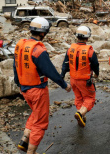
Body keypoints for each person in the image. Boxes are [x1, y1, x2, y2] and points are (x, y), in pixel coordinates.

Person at [14, 17, 71, 154]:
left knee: (35, 114)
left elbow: (15, 66)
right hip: (37, 90)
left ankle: (24, 140)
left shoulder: (20, 45)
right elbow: (49, 70)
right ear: (43, 33)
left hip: (24, 88)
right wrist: (64, 84)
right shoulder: (38, 50)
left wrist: (19, 84)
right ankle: (31, 151)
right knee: (40, 122)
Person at [61, 26, 99, 128]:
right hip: (85, 80)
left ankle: (81, 115)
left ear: (77, 37)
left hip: (73, 80)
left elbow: (65, 64)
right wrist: (97, 74)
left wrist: (62, 76)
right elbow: (95, 64)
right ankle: (80, 113)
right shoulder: (90, 51)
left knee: (78, 97)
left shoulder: (70, 49)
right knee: (90, 98)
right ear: (87, 38)